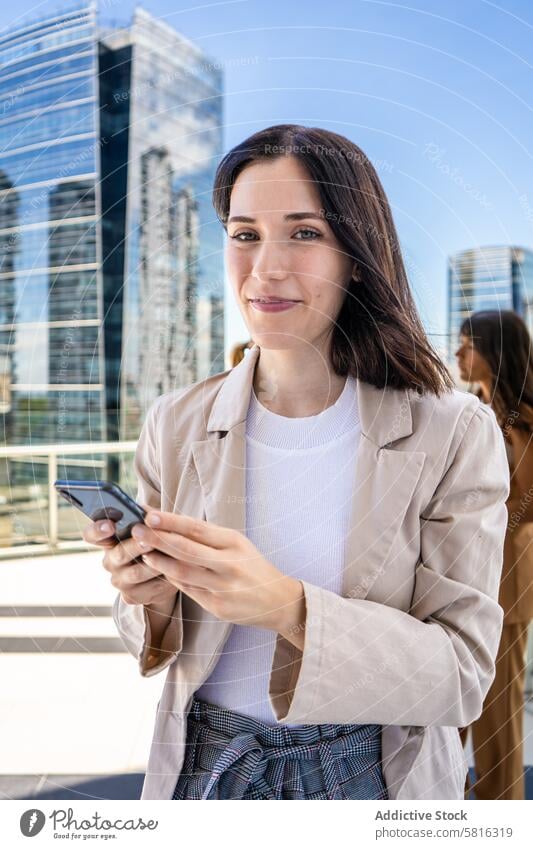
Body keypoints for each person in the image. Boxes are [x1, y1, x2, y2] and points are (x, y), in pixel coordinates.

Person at [83, 124, 510, 800]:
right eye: (245, 234)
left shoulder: (450, 429)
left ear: (358, 257)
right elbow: (152, 636)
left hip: (373, 772)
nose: (266, 267)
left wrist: (290, 608)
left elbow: (461, 671)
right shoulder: (175, 421)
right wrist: (148, 594)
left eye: (303, 233)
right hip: (206, 768)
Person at [455, 309, 533, 799]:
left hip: (504, 584)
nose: (459, 354)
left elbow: (525, 505)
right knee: (443, 711)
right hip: (457, 581)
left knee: (497, 717)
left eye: (469, 344)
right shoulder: (468, 410)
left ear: (495, 352)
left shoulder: (521, 422)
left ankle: (500, 817)